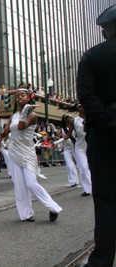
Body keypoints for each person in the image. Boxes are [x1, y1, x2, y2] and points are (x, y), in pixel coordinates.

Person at [76, 6, 116, 266]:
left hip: (104, 134)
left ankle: (101, 261)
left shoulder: (91, 56)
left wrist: (108, 124)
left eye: (104, 27)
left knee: (106, 200)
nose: (102, 31)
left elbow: (87, 98)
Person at [0, 88, 62, 222]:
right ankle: (26, 214)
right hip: (14, 152)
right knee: (19, 185)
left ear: (28, 98)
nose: (19, 98)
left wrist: (25, 110)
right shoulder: (13, 116)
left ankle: (53, 208)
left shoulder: (32, 115)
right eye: (17, 96)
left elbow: (21, 127)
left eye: (22, 96)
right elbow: (3, 134)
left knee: (30, 183)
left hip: (27, 152)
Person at [56, 104, 92, 195]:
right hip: (80, 148)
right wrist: (56, 143)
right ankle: (88, 189)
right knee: (83, 167)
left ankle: (97, 186)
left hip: (91, 146)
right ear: (78, 108)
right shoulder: (74, 120)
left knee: (93, 168)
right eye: (81, 106)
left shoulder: (92, 118)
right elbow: (68, 134)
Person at [49, 118, 79, 187]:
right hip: (67, 149)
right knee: (69, 165)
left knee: (81, 165)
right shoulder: (63, 129)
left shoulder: (74, 128)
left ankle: (82, 181)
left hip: (76, 148)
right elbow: (56, 133)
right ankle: (72, 182)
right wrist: (52, 126)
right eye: (69, 118)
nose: (70, 119)